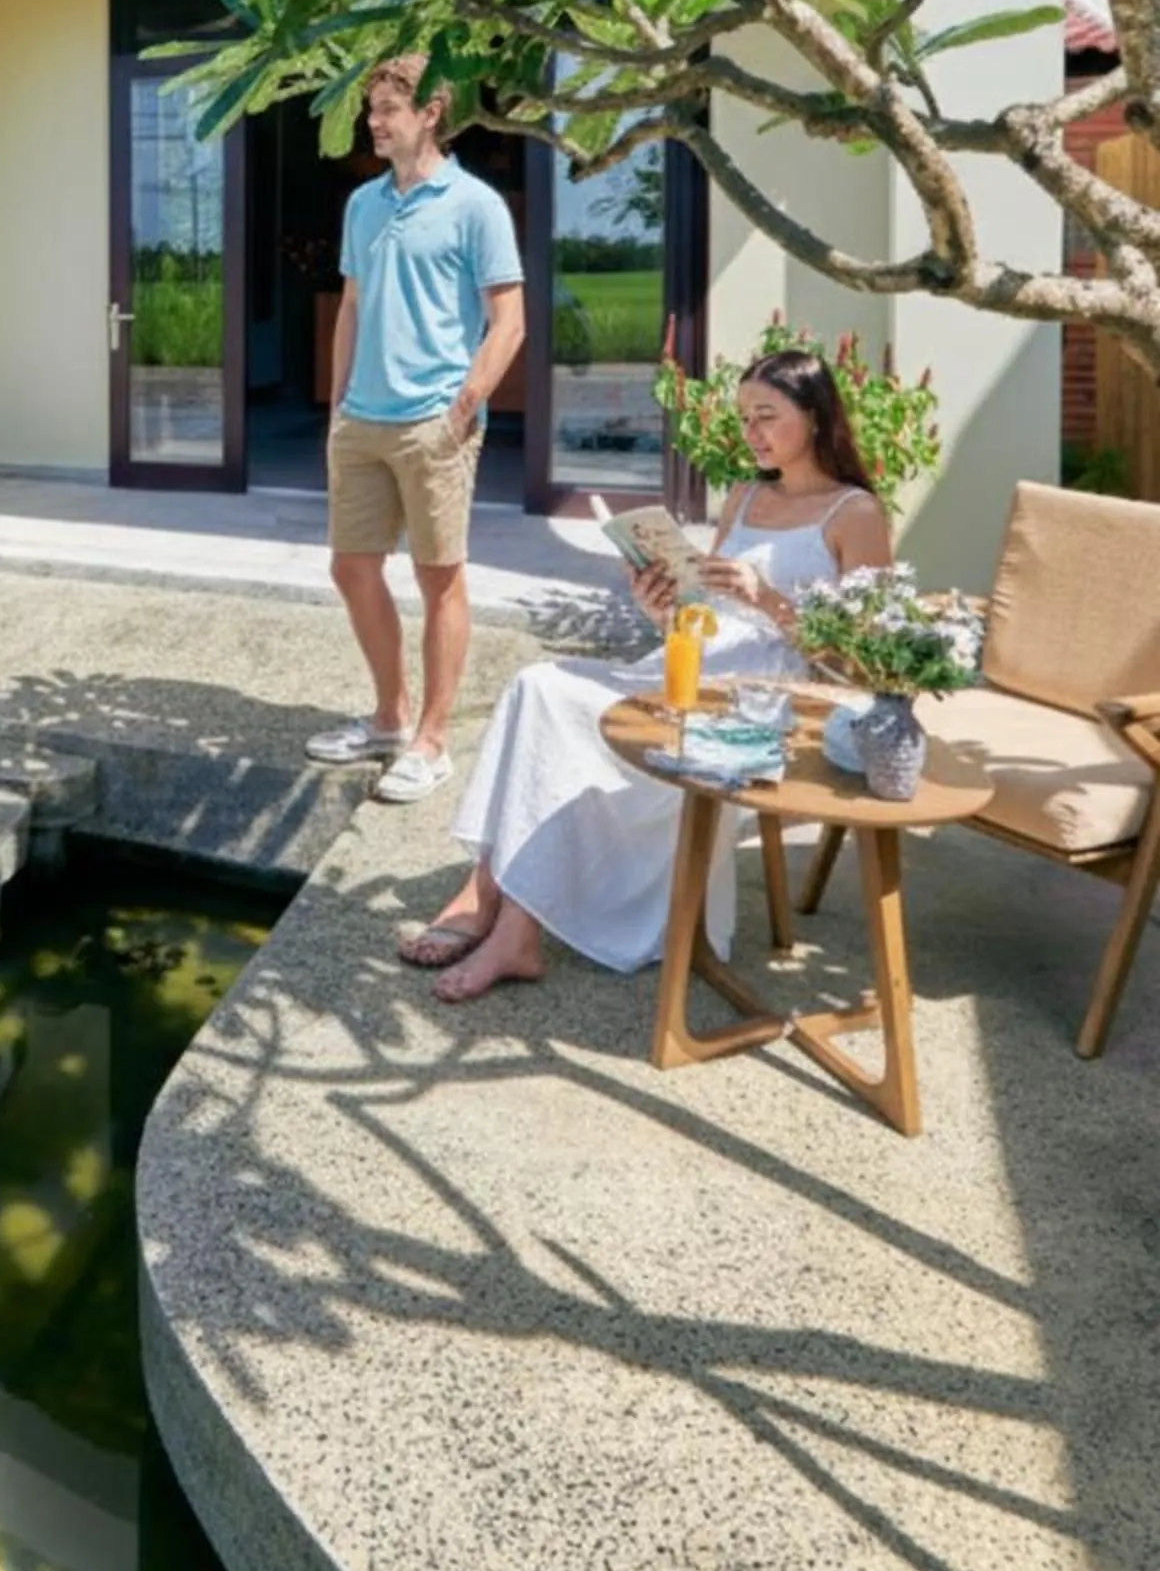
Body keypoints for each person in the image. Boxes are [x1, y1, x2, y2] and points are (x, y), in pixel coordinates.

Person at [408, 345, 892, 1000]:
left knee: (554, 708)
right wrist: (661, 606)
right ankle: (490, 890)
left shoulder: (855, 514)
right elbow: (705, 613)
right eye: (745, 418)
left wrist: (769, 600)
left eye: (767, 416)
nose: (752, 432)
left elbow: (863, 659)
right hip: (694, 665)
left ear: (814, 416)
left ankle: (508, 923)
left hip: (768, 699)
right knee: (537, 687)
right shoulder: (746, 496)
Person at [305, 57, 525, 806]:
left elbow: (508, 322)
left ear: (432, 112)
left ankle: (432, 741)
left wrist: (463, 408)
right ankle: (390, 718)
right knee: (351, 568)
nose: (374, 120)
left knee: (440, 580)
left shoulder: (476, 206)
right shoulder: (363, 204)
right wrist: (336, 407)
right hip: (361, 421)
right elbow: (353, 307)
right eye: (371, 107)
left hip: (434, 422)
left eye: (388, 107)